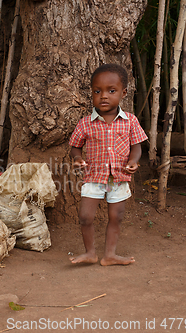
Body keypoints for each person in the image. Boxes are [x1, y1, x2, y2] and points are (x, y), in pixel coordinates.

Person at [68, 64, 147, 266]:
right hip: (93, 177)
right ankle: (90, 253)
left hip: (119, 177)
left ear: (123, 93)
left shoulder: (130, 121)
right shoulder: (85, 123)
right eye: (97, 91)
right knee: (85, 216)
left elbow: (137, 147)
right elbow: (75, 147)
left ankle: (109, 255)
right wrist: (77, 159)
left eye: (111, 91)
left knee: (116, 216)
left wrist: (133, 161)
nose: (104, 96)